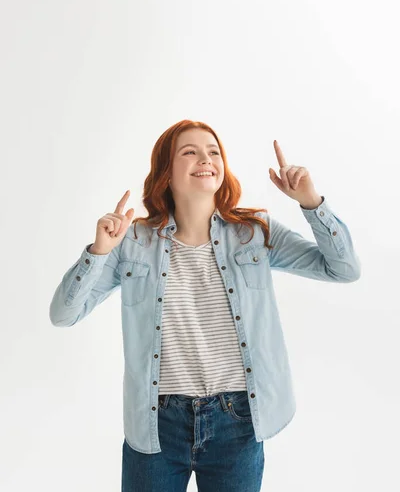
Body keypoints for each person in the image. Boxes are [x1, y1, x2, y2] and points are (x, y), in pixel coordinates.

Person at [49, 119, 361, 492]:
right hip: (156, 425)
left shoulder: (255, 231)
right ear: (166, 171)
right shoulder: (133, 242)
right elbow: (63, 314)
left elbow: (343, 269)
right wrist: (99, 251)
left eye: (213, 152)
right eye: (190, 151)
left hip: (238, 420)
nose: (206, 159)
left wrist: (311, 202)